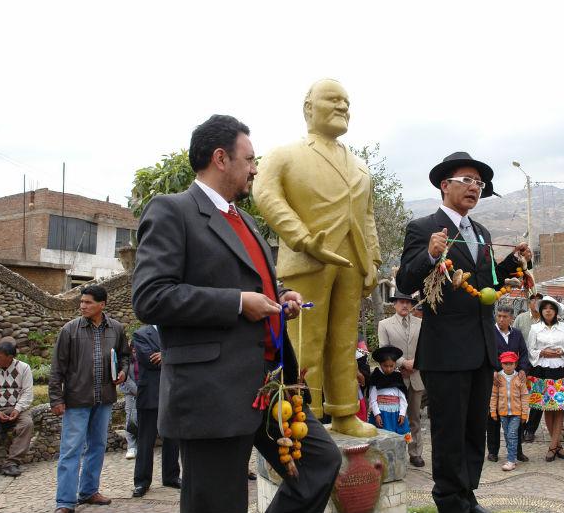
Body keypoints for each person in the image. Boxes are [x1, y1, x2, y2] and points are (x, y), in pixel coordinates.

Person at [132, 114, 341, 513]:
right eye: (249, 159)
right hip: (212, 389)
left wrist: (282, 296)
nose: (256, 168)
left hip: (269, 383)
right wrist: (237, 303)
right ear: (221, 158)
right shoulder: (172, 211)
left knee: (319, 462)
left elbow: (254, 282)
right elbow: (151, 297)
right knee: (218, 503)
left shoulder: (244, 219)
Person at [396, 151, 526, 513]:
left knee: (474, 431)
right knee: (449, 432)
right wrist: (430, 254)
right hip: (446, 350)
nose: (474, 188)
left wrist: (513, 262)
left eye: (479, 183)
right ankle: (450, 501)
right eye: (467, 180)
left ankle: (468, 496)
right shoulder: (423, 228)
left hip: (482, 349)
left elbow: (486, 284)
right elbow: (406, 280)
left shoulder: (481, 232)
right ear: (445, 185)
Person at [253, 79, 381, 436]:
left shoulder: (360, 165)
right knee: (303, 340)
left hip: (352, 261)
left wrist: (373, 260)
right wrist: (302, 238)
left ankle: (343, 411)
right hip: (308, 259)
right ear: (308, 108)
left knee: (343, 339)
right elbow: (265, 194)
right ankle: (301, 415)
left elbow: (367, 215)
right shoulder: (285, 155)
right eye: (333, 100)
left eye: (347, 102)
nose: (343, 107)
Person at [49, 285, 130, 512]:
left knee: (97, 446)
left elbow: (125, 356)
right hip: (76, 400)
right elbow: (57, 368)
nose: (82, 306)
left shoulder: (116, 328)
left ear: (102, 305)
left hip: (104, 399)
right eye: (81, 302)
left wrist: (123, 371)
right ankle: (65, 502)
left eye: (88, 302)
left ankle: (89, 491)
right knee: (71, 450)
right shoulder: (69, 330)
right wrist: (56, 399)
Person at [527, 295, 564, 462]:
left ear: (555, 311)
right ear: (541, 311)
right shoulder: (535, 329)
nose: (548, 311)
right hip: (542, 369)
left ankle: (553, 446)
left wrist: (561, 352)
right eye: (545, 308)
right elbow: (530, 350)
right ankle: (557, 446)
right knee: (548, 407)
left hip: (561, 368)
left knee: (560, 407)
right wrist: (543, 352)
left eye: (551, 308)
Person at [130, 324, 180, 498]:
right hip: (150, 393)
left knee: (173, 438)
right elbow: (147, 360)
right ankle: (142, 481)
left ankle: (171, 476)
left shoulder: (174, 330)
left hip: (172, 391)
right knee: (145, 440)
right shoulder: (141, 334)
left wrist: (164, 356)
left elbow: (184, 354)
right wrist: (172, 356)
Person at [378, 291, 426, 467]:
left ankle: (415, 453)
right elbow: (384, 348)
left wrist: (415, 363)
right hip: (394, 377)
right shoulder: (384, 324)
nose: (405, 305)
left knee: (414, 417)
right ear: (394, 304)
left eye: (408, 302)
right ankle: (395, 453)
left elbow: (425, 347)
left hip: (416, 376)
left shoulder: (421, 323)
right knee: (394, 417)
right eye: (401, 302)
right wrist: (403, 363)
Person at [0, 337, 34, 479]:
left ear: (9, 357)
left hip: (17, 408)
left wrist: (18, 409)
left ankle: (12, 462)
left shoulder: (23, 368)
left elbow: (27, 392)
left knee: (27, 424)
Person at [486, 304, 530, 463]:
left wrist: (523, 369)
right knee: (494, 416)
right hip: (496, 380)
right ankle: (493, 451)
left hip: (514, 379)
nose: (501, 319)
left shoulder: (517, 334)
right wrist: (492, 370)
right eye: (499, 316)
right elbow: (485, 354)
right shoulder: (490, 332)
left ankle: (517, 451)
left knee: (515, 416)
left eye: (505, 317)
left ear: (511, 318)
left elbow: (524, 354)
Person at [489, 351, 530, 471]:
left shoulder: (519, 378)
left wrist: (524, 413)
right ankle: (512, 457)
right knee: (507, 435)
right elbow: (494, 395)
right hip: (503, 413)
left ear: (515, 364)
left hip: (516, 413)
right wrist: (493, 411)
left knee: (512, 435)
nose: (508, 366)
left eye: (510, 363)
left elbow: (525, 396)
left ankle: (511, 460)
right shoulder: (498, 378)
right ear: (501, 364)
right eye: (505, 363)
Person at [514, 292, 543, 443]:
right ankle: (519, 427)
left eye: (540, 300)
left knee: (538, 397)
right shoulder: (521, 318)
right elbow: (513, 338)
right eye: (534, 300)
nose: (536, 303)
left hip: (540, 363)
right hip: (522, 364)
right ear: (529, 302)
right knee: (520, 396)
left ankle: (531, 430)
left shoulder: (547, 319)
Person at [369, 346, 411, 441]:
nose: (388, 369)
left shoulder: (397, 377)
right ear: (380, 364)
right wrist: (377, 414)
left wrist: (402, 413)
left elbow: (403, 399)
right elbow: (372, 399)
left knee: (400, 438)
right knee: (382, 439)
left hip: (396, 415)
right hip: (382, 415)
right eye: (385, 366)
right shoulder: (375, 377)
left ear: (395, 364)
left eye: (391, 366)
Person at [120, 340, 138, 460]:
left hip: (146, 393)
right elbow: (126, 378)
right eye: (133, 348)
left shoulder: (145, 359)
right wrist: (138, 391)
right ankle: (131, 447)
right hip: (131, 394)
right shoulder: (127, 361)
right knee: (130, 420)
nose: (134, 350)